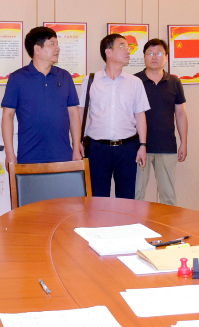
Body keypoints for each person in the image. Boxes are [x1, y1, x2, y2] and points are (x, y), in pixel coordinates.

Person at [79, 33, 150, 198]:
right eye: (122, 46)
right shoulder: (91, 80)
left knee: (126, 200)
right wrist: (77, 143)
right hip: (97, 148)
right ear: (108, 52)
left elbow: (140, 116)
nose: (128, 50)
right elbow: (80, 113)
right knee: (97, 199)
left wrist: (143, 145)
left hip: (127, 148)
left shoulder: (135, 82)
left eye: (128, 47)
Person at [2, 26, 82, 165]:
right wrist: (9, 153)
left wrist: (76, 147)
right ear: (37, 49)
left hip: (63, 155)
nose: (57, 48)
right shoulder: (17, 78)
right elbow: (7, 116)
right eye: (52, 44)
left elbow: (73, 114)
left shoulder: (65, 76)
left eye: (57, 44)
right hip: (29, 156)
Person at [135, 38, 188, 205]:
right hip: (138, 146)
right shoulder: (134, 81)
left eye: (158, 53)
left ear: (166, 57)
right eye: (150, 53)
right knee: (136, 194)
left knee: (168, 196)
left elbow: (180, 114)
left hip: (167, 145)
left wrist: (184, 143)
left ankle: (169, 224)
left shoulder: (174, 82)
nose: (154, 57)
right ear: (144, 57)